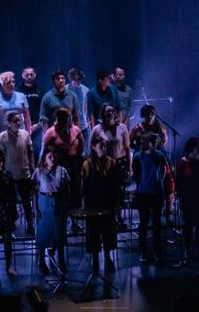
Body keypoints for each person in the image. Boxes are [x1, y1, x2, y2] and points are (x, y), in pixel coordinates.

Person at [81, 136, 118, 274]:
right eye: (101, 145)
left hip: (107, 202)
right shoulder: (87, 164)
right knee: (93, 233)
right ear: (93, 147)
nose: (103, 148)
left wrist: (116, 203)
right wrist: (84, 204)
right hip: (93, 203)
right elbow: (83, 186)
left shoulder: (111, 162)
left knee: (108, 231)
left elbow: (115, 184)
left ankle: (108, 257)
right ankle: (95, 258)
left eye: (105, 145)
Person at [43, 108, 85, 233]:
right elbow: (45, 151)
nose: (68, 119)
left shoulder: (76, 130)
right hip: (60, 165)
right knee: (62, 194)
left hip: (74, 164)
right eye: (65, 117)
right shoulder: (51, 132)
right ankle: (61, 224)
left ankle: (73, 222)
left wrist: (78, 161)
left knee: (74, 192)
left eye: (69, 116)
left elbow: (81, 147)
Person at [90, 104, 130, 229]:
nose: (110, 113)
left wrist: (130, 166)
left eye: (112, 110)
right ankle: (107, 217)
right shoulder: (98, 129)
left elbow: (127, 148)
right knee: (106, 192)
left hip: (119, 163)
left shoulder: (122, 127)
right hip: (104, 164)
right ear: (103, 114)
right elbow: (91, 146)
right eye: (107, 111)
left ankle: (119, 217)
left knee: (118, 192)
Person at [133, 133, 171, 262]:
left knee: (157, 224)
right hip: (143, 193)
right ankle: (142, 252)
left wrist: (158, 182)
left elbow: (163, 171)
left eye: (156, 142)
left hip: (157, 193)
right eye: (153, 141)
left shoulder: (160, 155)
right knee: (143, 224)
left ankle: (157, 252)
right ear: (147, 142)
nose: (155, 144)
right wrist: (142, 184)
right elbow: (136, 173)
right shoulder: (138, 156)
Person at [0, 111, 35, 234]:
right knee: (10, 203)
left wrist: (32, 168)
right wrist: (0, 173)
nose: (18, 123)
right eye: (15, 120)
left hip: (24, 173)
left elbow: (30, 151)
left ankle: (30, 225)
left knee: (26, 202)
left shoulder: (25, 134)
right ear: (9, 123)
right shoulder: (2, 137)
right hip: (9, 176)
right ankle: (10, 226)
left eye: (19, 120)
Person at [32, 146, 70, 274]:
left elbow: (67, 190)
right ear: (44, 160)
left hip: (58, 201)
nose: (52, 159)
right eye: (49, 157)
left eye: (54, 156)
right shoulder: (39, 172)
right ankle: (42, 261)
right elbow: (34, 192)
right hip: (44, 201)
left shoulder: (62, 170)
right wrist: (35, 208)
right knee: (43, 231)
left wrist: (66, 206)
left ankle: (61, 261)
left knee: (59, 232)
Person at [175, 137, 199, 260]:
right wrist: (179, 198)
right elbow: (178, 183)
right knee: (188, 225)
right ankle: (188, 249)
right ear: (192, 147)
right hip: (188, 199)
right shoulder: (182, 162)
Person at [0, 71, 32, 148]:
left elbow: (27, 117)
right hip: (3, 136)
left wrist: (28, 133)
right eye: (8, 83)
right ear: (2, 84)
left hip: (19, 135)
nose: (11, 84)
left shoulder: (21, 96)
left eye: (13, 82)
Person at [40, 70, 80, 136]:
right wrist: (47, 136)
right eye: (58, 78)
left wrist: (76, 134)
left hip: (69, 133)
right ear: (54, 81)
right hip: (53, 133)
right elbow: (44, 120)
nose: (61, 80)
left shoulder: (72, 95)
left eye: (62, 78)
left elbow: (76, 117)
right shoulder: (47, 97)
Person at [18, 67, 44, 162]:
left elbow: (44, 111)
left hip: (37, 127)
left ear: (35, 75)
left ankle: (36, 174)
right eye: (27, 74)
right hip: (21, 127)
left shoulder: (40, 91)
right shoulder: (18, 91)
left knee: (37, 151)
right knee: (22, 151)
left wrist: (38, 125)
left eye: (31, 74)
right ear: (23, 76)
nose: (29, 76)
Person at [66, 68, 90, 155]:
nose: (76, 82)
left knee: (85, 151)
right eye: (74, 79)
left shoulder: (86, 90)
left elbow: (86, 108)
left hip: (83, 125)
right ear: (70, 79)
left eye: (78, 79)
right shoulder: (65, 90)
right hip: (69, 126)